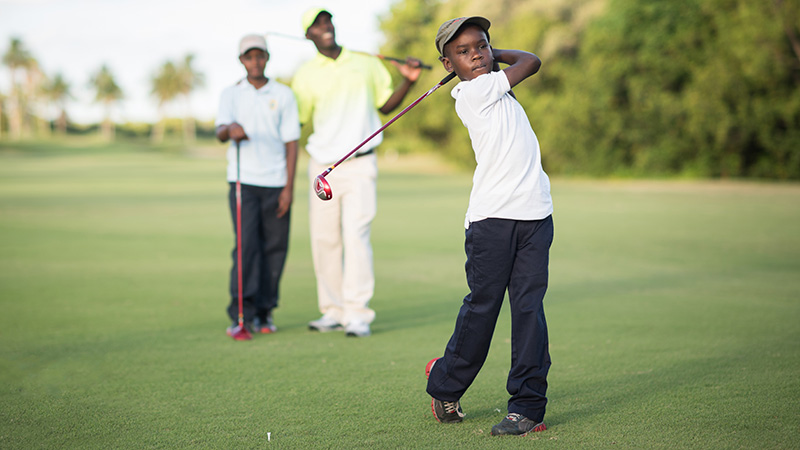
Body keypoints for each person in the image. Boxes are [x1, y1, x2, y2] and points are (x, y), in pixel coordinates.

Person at [424, 17, 554, 436]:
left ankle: (528, 406)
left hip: (535, 213)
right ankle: (446, 384)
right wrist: (495, 59)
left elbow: (522, 65)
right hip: (492, 220)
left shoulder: (500, 90)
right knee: (483, 307)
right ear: (449, 65)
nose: (476, 54)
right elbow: (531, 60)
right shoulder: (475, 91)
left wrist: (489, 57)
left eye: (481, 45)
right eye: (463, 52)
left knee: (529, 310)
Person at [291, 8, 423, 337]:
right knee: (325, 240)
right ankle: (333, 311)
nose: (325, 27)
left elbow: (386, 105)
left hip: (361, 164)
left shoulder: (366, 62)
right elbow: (298, 120)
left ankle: (358, 313)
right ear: (308, 35)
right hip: (323, 168)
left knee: (357, 236)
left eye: (327, 21)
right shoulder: (305, 75)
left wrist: (407, 81)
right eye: (316, 25)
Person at [215, 34, 300, 335]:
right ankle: (242, 312)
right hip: (243, 182)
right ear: (242, 61)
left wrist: (289, 189)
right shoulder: (231, 94)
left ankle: (265, 312)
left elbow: (292, 143)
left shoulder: (284, 94)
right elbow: (220, 131)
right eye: (249, 57)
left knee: (275, 249)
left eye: (259, 55)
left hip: (276, 182)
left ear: (267, 58)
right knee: (246, 247)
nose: (255, 61)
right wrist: (230, 128)